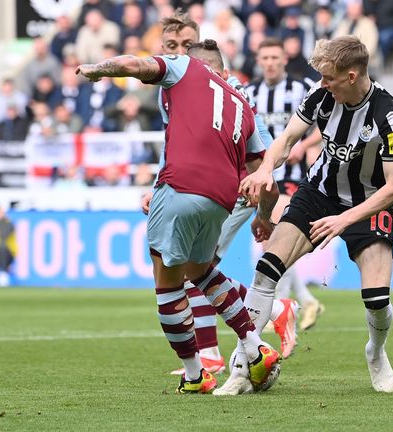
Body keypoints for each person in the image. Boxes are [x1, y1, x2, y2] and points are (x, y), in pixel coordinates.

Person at [76, 40, 282, 394]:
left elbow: (136, 65)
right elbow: (266, 181)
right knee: (199, 270)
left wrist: (99, 69)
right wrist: (263, 217)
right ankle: (252, 344)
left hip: (181, 185)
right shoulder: (243, 107)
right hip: (221, 200)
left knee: (167, 282)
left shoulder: (185, 67)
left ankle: (194, 375)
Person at [224, 35, 393, 395]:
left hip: (369, 202)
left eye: (329, 78)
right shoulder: (321, 96)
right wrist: (265, 170)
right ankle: (242, 367)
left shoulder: (388, 116)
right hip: (319, 194)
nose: (322, 84)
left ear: (352, 76)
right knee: (266, 271)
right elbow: (288, 138)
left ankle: (376, 351)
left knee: (377, 299)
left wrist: (345, 219)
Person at [141, 11, 299, 377]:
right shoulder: (171, 88)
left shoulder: (221, 84)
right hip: (210, 183)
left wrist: (256, 181)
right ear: (162, 48)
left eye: (186, 45)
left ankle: (214, 353)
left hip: (233, 186)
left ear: (197, 42)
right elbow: (176, 142)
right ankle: (267, 318)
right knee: (199, 268)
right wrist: (156, 185)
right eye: (172, 46)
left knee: (195, 269)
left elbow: (259, 139)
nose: (179, 52)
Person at [246, 37, 326, 334]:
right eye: (264, 57)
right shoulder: (249, 92)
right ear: (258, 60)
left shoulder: (302, 87)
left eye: (274, 57)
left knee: (276, 237)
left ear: (283, 59)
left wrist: (303, 143)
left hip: (292, 176)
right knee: (272, 239)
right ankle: (303, 300)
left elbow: (326, 123)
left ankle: (279, 307)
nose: (269, 62)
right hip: (262, 176)